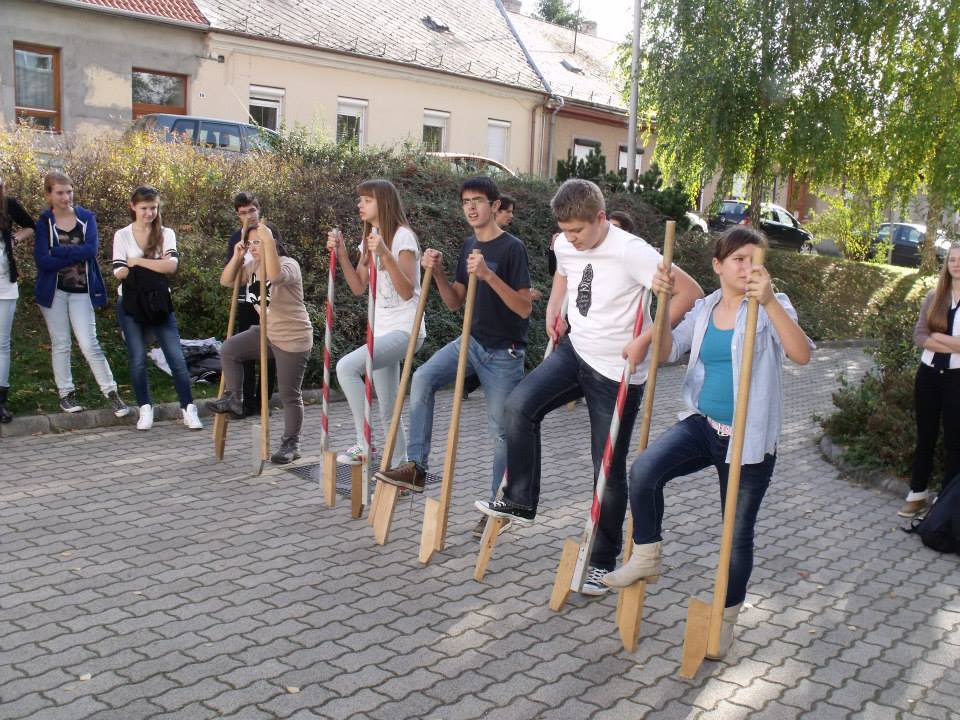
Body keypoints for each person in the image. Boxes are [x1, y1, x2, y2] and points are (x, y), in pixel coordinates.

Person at [476, 179, 703, 593]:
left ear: (601, 218)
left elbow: (690, 292)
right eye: (565, 231)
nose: (571, 239)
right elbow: (563, 272)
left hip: (617, 371)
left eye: (578, 230)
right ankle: (520, 499)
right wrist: (554, 306)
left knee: (607, 469)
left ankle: (602, 561)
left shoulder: (631, 251)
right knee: (518, 407)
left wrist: (646, 339)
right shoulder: (565, 243)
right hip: (575, 351)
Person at [602, 226, 812, 658]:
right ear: (718, 265)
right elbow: (666, 351)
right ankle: (647, 554)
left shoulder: (773, 305)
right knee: (644, 471)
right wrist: (662, 307)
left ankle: (726, 617)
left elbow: (801, 354)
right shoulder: (705, 308)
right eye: (738, 259)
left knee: (735, 533)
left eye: (755, 260)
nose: (748, 267)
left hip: (748, 440)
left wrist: (770, 302)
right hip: (703, 425)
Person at [377, 176, 533, 537]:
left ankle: (499, 505)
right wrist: (438, 273)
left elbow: (524, 308)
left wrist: (489, 275)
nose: (471, 208)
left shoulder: (513, 249)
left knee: (501, 432)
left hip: (504, 352)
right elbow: (454, 301)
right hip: (471, 341)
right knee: (422, 378)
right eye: (465, 202)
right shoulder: (469, 245)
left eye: (478, 201)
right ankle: (416, 467)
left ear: (495, 205)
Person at [328, 179, 426, 466]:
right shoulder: (370, 238)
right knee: (387, 407)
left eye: (366, 200)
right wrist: (342, 254)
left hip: (406, 329)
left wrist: (384, 253)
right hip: (382, 332)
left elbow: (407, 291)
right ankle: (400, 464)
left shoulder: (403, 238)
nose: (360, 204)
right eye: (360, 199)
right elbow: (359, 286)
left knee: (346, 367)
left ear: (383, 202)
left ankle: (364, 443)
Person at [209, 223, 313, 464]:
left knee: (289, 395)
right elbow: (226, 281)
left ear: (273, 242)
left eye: (259, 241)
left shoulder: (289, 264)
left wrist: (268, 244)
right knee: (229, 350)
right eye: (250, 243)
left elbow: (275, 276)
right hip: (268, 332)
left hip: (292, 336)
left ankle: (291, 444)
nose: (253, 247)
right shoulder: (252, 266)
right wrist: (237, 257)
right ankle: (234, 399)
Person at [34, 171, 130, 416]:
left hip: (81, 290)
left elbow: (90, 251)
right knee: (61, 343)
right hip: (53, 291)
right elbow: (43, 260)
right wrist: (72, 253)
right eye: (60, 193)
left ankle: (111, 392)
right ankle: (66, 394)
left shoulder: (86, 218)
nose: (66, 197)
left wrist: (58, 251)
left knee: (89, 343)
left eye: (69, 191)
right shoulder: (44, 222)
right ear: (48, 195)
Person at [112, 186, 202, 431]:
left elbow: (171, 266)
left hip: (159, 302)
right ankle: (145, 408)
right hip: (130, 302)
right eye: (144, 208)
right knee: (138, 358)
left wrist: (137, 262)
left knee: (176, 357)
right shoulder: (122, 235)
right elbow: (119, 271)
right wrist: (154, 264)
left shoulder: (165, 233)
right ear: (133, 207)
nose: (149, 213)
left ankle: (188, 408)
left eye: (153, 208)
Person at [901, 243, 960, 517]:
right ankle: (917, 493)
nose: (956, 264)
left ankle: (945, 501)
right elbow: (920, 336)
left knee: (954, 441)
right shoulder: (934, 297)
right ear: (946, 265)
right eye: (952, 260)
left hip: (957, 379)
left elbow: (930, 337)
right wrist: (952, 343)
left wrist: (937, 338)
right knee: (925, 436)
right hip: (928, 376)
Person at [225, 192, 278, 418]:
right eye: (243, 213)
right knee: (245, 352)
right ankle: (245, 403)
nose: (249, 216)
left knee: (271, 354)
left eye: (252, 210)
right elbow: (232, 273)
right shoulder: (236, 239)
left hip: (271, 302)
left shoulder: (269, 232)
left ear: (259, 209)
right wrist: (239, 259)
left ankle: (263, 402)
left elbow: (278, 264)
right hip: (247, 301)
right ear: (238, 215)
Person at [0, 177, 35, 423]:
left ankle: (1, 401)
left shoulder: (8, 204)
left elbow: (30, 226)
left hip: (5, 283)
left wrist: (14, 239)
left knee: (2, 343)